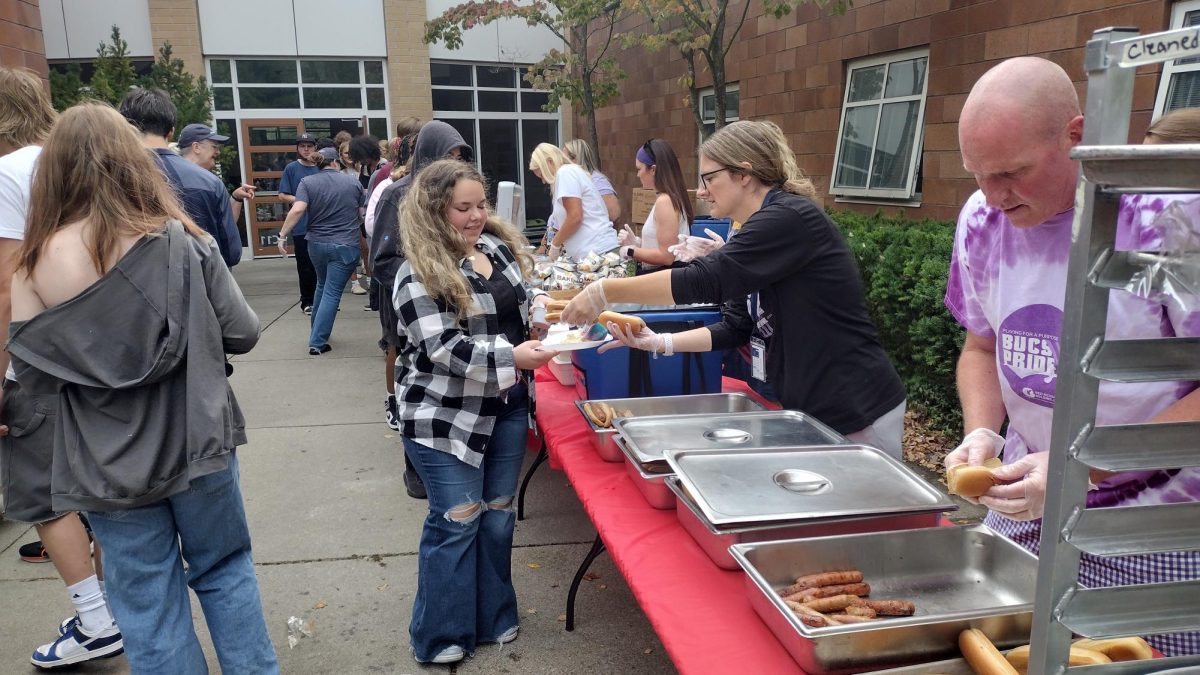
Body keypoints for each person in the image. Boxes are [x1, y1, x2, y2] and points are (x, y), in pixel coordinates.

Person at [943, 57, 1200, 657]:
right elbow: (980, 345)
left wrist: (1079, 468)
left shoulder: (1171, 220)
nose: (993, 196)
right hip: (1031, 508)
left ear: (1077, 136)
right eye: (977, 174)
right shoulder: (981, 221)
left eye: (1011, 173)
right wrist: (982, 430)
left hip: (1158, 527)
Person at [8, 102, 278, 674]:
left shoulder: (31, 268)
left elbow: (33, 380)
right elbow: (245, 332)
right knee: (225, 569)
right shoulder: (182, 240)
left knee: (144, 598)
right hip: (196, 436)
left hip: (103, 462)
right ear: (132, 162)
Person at [561, 120, 907, 458]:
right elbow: (737, 326)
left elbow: (703, 280)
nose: (701, 191)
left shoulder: (790, 218)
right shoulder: (754, 229)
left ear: (744, 174)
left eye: (709, 178)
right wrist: (660, 343)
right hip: (811, 406)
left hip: (856, 406)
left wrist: (604, 291)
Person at [393, 159, 555, 664]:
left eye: (481, 205)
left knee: (499, 517)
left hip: (505, 408)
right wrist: (515, 356)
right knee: (457, 521)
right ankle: (440, 633)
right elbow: (444, 349)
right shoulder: (416, 272)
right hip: (444, 418)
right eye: (462, 208)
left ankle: (494, 616)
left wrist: (541, 317)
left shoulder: (495, 249)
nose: (475, 216)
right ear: (434, 211)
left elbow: (522, 300)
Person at [0, 67, 125, 670]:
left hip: (39, 356)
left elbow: (5, 286)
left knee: (43, 492)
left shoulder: (9, 172)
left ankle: (97, 620)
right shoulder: (67, 160)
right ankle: (115, 608)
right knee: (94, 488)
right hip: (99, 352)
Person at [371, 120, 472, 499]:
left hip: (455, 307)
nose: (455, 164)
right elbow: (381, 261)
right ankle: (415, 468)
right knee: (415, 381)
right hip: (407, 309)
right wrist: (430, 276)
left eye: (461, 157)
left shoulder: (459, 197)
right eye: (449, 156)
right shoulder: (398, 195)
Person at [119, 89, 243, 268]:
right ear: (170, 132)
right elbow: (231, 253)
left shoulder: (108, 180)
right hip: (200, 286)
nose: (217, 152)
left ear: (125, 128)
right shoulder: (209, 183)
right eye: (214, 146)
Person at [278, 147, 365, 355]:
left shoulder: (307, 183)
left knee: (322, 286)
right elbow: (361, 213)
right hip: (345, 245)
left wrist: (282, 235)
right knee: (332, 292)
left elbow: (297, 209)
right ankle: (317, 342)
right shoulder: (353, 182)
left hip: (316, 244)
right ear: (336, 162)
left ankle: (316, 331)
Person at [528, 143, 618, 260]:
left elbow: (575, 217)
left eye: (542, 175)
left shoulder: (565, 172)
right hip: (594, 253)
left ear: (550, 162)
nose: (543, 181)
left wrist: (555, 244)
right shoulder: (569, 173)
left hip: (599, 252)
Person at [617, 138, 693, 272]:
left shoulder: (665, 201)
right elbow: (664, 246)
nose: (637, 174)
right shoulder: (670, 197)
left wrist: (630, 250)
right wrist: (638, 243)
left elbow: (666, 256)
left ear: (653, 170)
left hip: (663, 279)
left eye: (639, 169)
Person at [177, 122, 256, 224]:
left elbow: (225, 224)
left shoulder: (209, 182)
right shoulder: (172, 180)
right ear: (196, 147)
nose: (218, 152)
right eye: (214, 147)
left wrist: (236, 198)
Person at [279, 133, 320, 314]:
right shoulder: (292, 168)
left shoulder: (321, 167)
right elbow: (282, 195)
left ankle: (322, 301)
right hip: (301, 225)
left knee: (321, 266)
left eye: (309, 146)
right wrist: (301, 200)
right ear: (297, 148)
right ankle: (307, 301)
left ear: (315, 148)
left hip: (321, 225)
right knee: (305, 266)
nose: (306, 149)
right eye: (302, 146)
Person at [563, 139, 620, 222]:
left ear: (575, 159)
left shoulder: (597, 181)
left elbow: (614, 214)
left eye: (564, 160)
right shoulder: (572, 180)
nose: (561, 164)